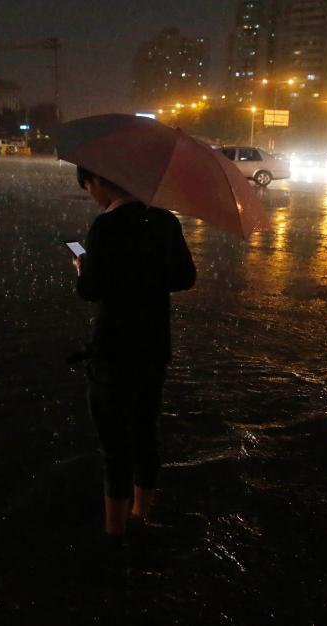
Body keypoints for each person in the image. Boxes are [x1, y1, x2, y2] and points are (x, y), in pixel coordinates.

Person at [72, 166, 196, 539]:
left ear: (102, 181)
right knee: (144, 433)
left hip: (113, 349)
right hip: (153, 346)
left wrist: (81, 267)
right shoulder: (164, 221)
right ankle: (144, 514)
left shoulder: (105, 227)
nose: (91, 194)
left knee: (114, 445)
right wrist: (150, 274)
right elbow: (185, 278)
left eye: (89, 185)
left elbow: (91, 290)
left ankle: (115, 533)